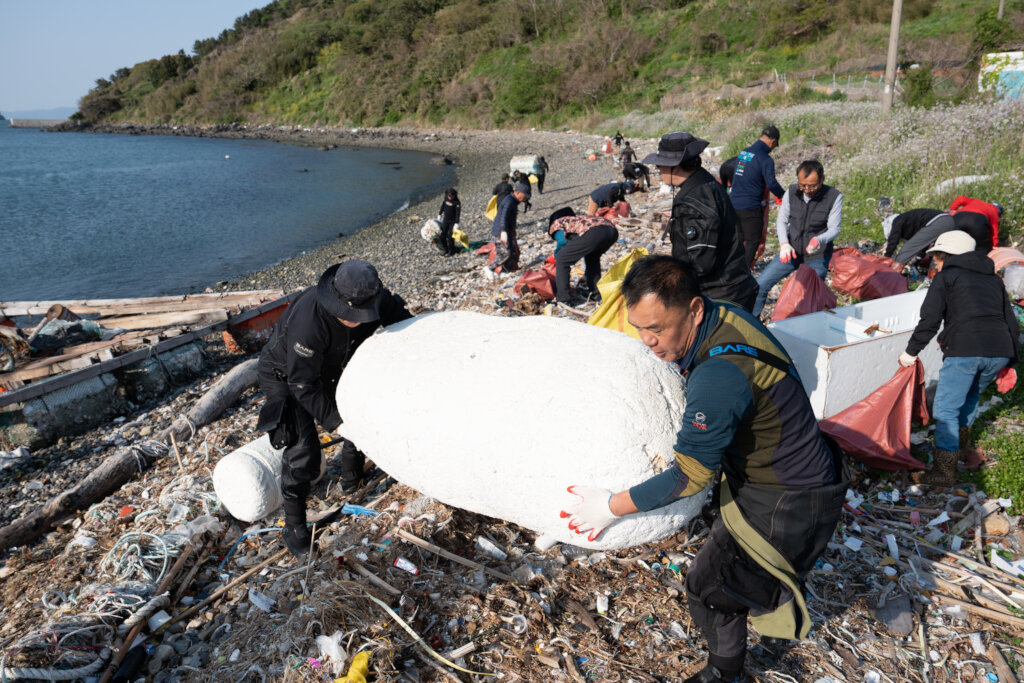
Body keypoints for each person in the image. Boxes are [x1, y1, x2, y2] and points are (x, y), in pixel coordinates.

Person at [561, 255, 849, 683]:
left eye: (656, 329)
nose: (646, 341)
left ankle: (724, 672)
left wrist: (610, 506)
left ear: (694, 309)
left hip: (788, 498)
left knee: (708, 590)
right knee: (740, 574)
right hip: (798, 465)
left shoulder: (718, 376)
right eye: (638, 327)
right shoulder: (725, 315)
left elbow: (688, 476)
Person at [256, 261, 413, 559]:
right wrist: (336, 423)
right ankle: (294, 526)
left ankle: (352, 477)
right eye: (351, 315)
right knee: (304, 452)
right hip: (288, 376)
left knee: (361, 413)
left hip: (334, 365)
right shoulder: (309, 323)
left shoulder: (373, 296)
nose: (357, 319)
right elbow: (303, 383)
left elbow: (402, 321)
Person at [898, 231, 1019, 487]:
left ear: (946, 255)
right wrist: (1011, 362)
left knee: (946, 409)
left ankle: (943, 472)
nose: (935, 264)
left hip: (965, 350)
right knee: (969, 399)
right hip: (999, 351)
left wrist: (910, 352)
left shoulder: (947, 277)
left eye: (937, 258)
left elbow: (930, 319)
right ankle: (961, 452)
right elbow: (1011, 321)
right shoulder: (993, 280)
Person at [642, 131, 758, 312]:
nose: (657, 168)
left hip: (722, 296)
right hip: (734, 286)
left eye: (661, 163)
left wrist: (667, 276)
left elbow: (700, 262)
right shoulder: (706, 182)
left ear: (676, 166)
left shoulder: (694, 201)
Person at [753, 160, 842, 318]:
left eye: (812, 186)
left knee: (810, 296)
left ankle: (808, 327)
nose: (807, 190)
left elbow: (834, 228)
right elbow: (782, 220)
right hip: (792, 250)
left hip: (817, 254)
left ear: (822, 179)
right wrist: (784, 244)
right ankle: (753, 322)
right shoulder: (792, 192)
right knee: (761, 284)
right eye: (803, 185)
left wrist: (818, 240)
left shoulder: (834, 197)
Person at [729, 126, 786, 268]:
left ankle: (730, 268)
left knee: (737, 238)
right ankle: (742, 271)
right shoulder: (765, 159)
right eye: (774, 145)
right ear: (773, 141)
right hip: (750, 207)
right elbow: (771, 183)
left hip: (733, 203)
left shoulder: (743, 153)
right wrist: (784, 196)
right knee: (753, 240)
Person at [547, 207, 619, 304]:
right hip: (612, 231)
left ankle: (563, 299)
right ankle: (595, 293)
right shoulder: (579, 219)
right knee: (592, 257)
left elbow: (562, 241)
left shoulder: (557, 223)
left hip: (594, 232)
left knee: (562, 259)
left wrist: (555, 256)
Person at [489, 181, 530, 275]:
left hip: (508, 230)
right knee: (505, 253)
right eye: (524, 196)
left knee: (512, 251)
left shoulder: (513, 201)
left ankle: (506, 271)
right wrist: (503, 231)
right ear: (518, 192)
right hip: (500, 232)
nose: (525, 198)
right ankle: (490, 268)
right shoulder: (509, 201)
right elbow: (504, 216)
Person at [436, 187, 462, 256]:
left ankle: (452, 251)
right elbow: (443, 206)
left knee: (450, 236)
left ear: (454, 195)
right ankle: (445, 249)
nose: (450, 197)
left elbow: (458, 213)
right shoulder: (446, 198)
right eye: (449, 196)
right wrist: (439, 214)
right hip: (445, 220)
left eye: (452, 196)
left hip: (452, 222)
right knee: (442, 235)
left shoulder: (457, 202)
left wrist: (456, 223)